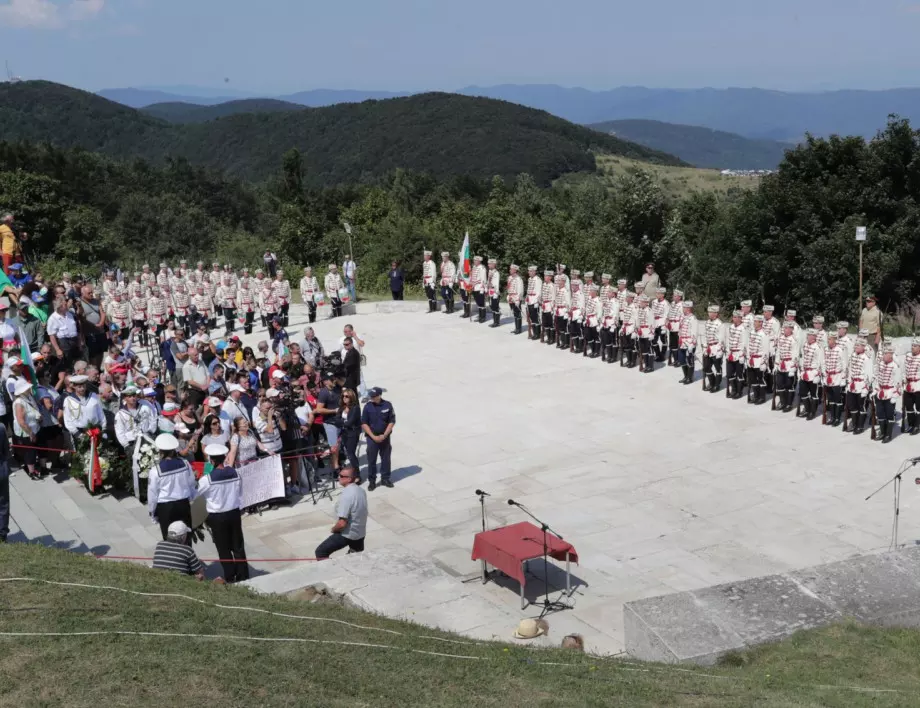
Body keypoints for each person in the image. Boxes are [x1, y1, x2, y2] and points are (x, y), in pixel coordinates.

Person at [198, 443, 249, 583]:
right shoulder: (236, 473)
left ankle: (230, 575)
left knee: (223, 548)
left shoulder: (206, 480)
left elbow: (196, 495)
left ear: (211, 461)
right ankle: (243, 575)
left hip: (217, 517)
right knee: (238, 546)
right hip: (233, 513)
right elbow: (240, 493)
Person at [147, 433, 197, 541]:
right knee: (186, 537)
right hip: (183, 505)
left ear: (160, 452)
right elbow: (192, 484)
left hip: (166, 508)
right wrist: (192, 499)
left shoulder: (155, 470)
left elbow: (152, 494)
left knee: (169, 538)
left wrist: (152, 512)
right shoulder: (185, 464)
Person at [314, 465, 367, 559]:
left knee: (321, 552)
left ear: (349, 479)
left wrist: (334, 529)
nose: (339, 477)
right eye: (339, 475)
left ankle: (332, 571)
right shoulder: (361, 491)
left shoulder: (347, 495)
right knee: (356, 557)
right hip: (360, 533)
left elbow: (342, 523)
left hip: (348, 534)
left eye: (342, 476)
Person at [361, 387, 395, 491]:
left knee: (386, 459)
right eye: (371, 396)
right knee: (371, 460)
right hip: (372, 438)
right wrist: (373, 436)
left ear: (380, 395)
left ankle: (385, 478)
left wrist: (384, 435)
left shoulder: (387, 405)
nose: (372, 398)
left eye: (374, 396)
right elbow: (364, 423)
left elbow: (392, 421)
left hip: (384, 437)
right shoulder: (367, 407)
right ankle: (372, 481)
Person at [12, 379, 42, 481]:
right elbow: (21, 421)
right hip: (26, 432)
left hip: (34, 428)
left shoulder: (28, 397)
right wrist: (30, 433)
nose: (29, 388)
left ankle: (32, 468)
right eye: (27, 387)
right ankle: (31, 472)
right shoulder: (19, 403)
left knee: (32, 450)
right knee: (30, 452)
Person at [844, 337, 874, 435]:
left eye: (858, 345)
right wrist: (848, 383)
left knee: (861, 407)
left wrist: (866, 388)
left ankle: (860, 426)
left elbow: (869, 375)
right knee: (852, 406)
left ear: (863, 347)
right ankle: (854, 423)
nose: (855, 346)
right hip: (852, 384)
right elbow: (850, 370)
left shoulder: (867, 358)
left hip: (861, 385)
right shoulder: (853, 355)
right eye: (855, 345)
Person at [315, 372, 342, 473]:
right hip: (330, 423)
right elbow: (319, 409)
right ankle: (335, 468)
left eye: (334, 379)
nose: (334, 381)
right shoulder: (324, 393)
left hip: (340, 421)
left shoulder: (337, 388)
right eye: (332, 379)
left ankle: (338, 463)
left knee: (339, 446)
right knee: (334, 447)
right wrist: (334, 411)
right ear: (326, 381)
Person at [874, 342, 901, 443]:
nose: (883, 355)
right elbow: (877, 377)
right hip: (880, 392)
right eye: (883, 353)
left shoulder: (895, 366)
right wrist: (875, 389)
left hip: (890, 393)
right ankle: (882, 432)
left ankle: (888, 434)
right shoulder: (880, 364)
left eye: (886, 354)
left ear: (891, 355)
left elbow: (898, 383)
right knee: (880, 414)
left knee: (889, 415)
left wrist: (895, 395)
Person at [797, 329, 825, 420]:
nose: (808, 336)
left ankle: (812, 412)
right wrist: (800, 369)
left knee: (814, 395)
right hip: (804, 372)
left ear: (814, 337)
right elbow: (802, 357)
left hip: (813, 373)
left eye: (810, 335)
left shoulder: (818, 347)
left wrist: (818, 374)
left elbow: (821, 362)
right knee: (802, 393)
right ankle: (808, 410)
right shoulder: (804, 345)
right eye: (807, 335)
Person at [823, 331, 848, 427]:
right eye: (828, 339)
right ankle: (832, 417)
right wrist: (824, 376)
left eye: (829, 339)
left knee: (837, 399)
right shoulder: (826, 349)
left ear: (834, 340)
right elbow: (824, 362)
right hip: (828, 377)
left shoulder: (840, 350)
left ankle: (837, 418)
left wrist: (843, 378)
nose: (828, 341)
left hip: (837, 377)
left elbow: (844, 364)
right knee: (830, 399)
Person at [773, 321, 800, 412]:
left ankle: (789, 404)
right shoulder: (781, 338)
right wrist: (776, 364)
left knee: (789, 385)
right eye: (784, 328)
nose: (785, 330)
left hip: (789, 365)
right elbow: (778, 352)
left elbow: (796, 354)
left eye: (787, 328)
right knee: (780, 384)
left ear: (792, 329)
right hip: (781, 364)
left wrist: (793, 367)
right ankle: (783, 402)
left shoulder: (794, 340)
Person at [47, 298, 80, 368]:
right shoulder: (52, 318)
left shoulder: (70, 314)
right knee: (66, 365)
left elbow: (77, 328)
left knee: (76, 362)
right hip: (63, 343)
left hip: (74, 341)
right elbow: (52, 336)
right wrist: (57, 349)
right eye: (65, 304)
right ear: (60, 307)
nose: (67, 305)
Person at [336, 388, 362, 475]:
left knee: (351, 453)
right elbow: (337, 420)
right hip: (344, 433)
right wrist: (343, 423)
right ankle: (354, 471)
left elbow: (350, 422)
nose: (344, 398)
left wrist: (342, 422)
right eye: (343, 396)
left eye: (346, 396)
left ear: (351, 397)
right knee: (349, 452)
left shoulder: (355, 408)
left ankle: (357, 473)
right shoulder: (342, 407)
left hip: (353, 433)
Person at [725, 310, 749, 400]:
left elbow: (745, 343)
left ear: (740, 318)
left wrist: (742, 355)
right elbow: (728, 340)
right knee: (730, 374)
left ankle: (739, 391)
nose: (733, 318)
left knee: (739, 374)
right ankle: (733, 390)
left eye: (735, 317)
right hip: (731, 353)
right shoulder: (731, 327)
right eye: (733, 317)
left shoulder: (744, 329)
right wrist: (727, 351)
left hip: (739, 354)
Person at [701, 305, 724, 392]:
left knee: (718, 368)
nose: (709, 314)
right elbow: (704, 335)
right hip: (708, 347)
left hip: (716, 347)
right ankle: (712, 382)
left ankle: (717, 385)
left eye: (711, 312)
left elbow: (721, 339)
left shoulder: (720, 324)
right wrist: (704, 347)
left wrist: (719, 350)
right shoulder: (707, 322)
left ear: (716, 313)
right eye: (709, 312)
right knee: (706, 367)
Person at [677, 300, 697, 384]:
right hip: (682, 341)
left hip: (689, 342)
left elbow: (694, 333)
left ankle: (690, 377)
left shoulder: (693, 318)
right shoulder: (682, 316)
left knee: (689, 360)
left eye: (684, 307)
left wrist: (692, 344)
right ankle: (685, 376)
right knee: (681, 360)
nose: (683, 308)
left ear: (689, 308)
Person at [505, 264, 525, 335]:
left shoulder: (518, 279)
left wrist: (517, 299)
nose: (510, 270)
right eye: (510, 269)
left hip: (516, 298)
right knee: (515, 313)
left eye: (511, 269)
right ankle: (516, 328)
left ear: (515, 270)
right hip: (511, 297)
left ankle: (519, 329)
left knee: (518, 313)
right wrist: (509, 295)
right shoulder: (510, 278)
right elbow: (508, 287)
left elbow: (520, 291)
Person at [0, 422, 10, 542]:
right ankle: (2, 534)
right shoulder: (1, 427)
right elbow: (6, 451)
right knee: (3, 503)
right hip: (1, 469)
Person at [470, 255, 487, 323]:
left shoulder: (482, 268)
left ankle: (483, 317)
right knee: (478, 302)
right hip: (474, 287)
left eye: (475, 260)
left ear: (479, 261)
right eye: (474, 260)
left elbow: (483, 279)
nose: (474, 261)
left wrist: (483, 287)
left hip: (479, 287)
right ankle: (480, 316)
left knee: (481, 302)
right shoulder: (474, 267)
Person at [487, 258, 501, 328]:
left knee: (495, 307)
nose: (488, 265)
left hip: (495, 292)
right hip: (491, 291)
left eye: (490, 264)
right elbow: (488, 281)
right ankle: (494, 321)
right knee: (492, 306)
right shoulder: (490, 271)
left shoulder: (496, 273)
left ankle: (497, 322)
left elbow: (496, 284)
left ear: (493, 264)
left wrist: (496, 293)